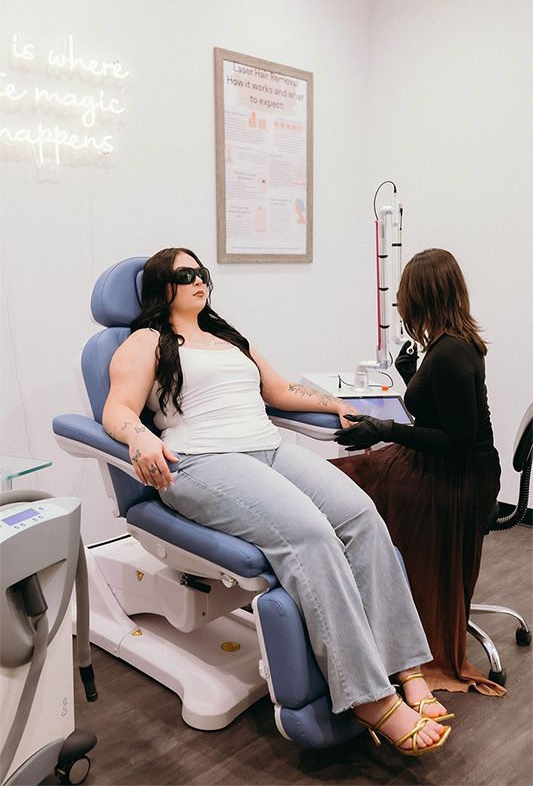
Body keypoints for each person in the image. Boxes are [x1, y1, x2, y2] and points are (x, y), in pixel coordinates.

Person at [103, 247, 453, 756]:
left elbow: (280, 389)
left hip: (265, 447)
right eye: (186, 274)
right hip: (201, 461)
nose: (199, 280)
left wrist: (333, 404)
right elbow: (118, 408)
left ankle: (406, 667)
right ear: (163, 286)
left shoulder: (229, 339)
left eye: (202, 272)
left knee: (361, 516)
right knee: (309, 534)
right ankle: (367, 696)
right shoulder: (146, 342)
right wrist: (139, 436)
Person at [333, 248, 503, 697]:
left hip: (457, 479)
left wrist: (387, 428)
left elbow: (457, 441)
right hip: (454, 468)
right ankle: (379, 610)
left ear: (421, 298)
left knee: (354, 485)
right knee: (355, 476)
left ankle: (386, 622)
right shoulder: (452, 344)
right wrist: (411, 374)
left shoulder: (450, 354)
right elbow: (437, 411)